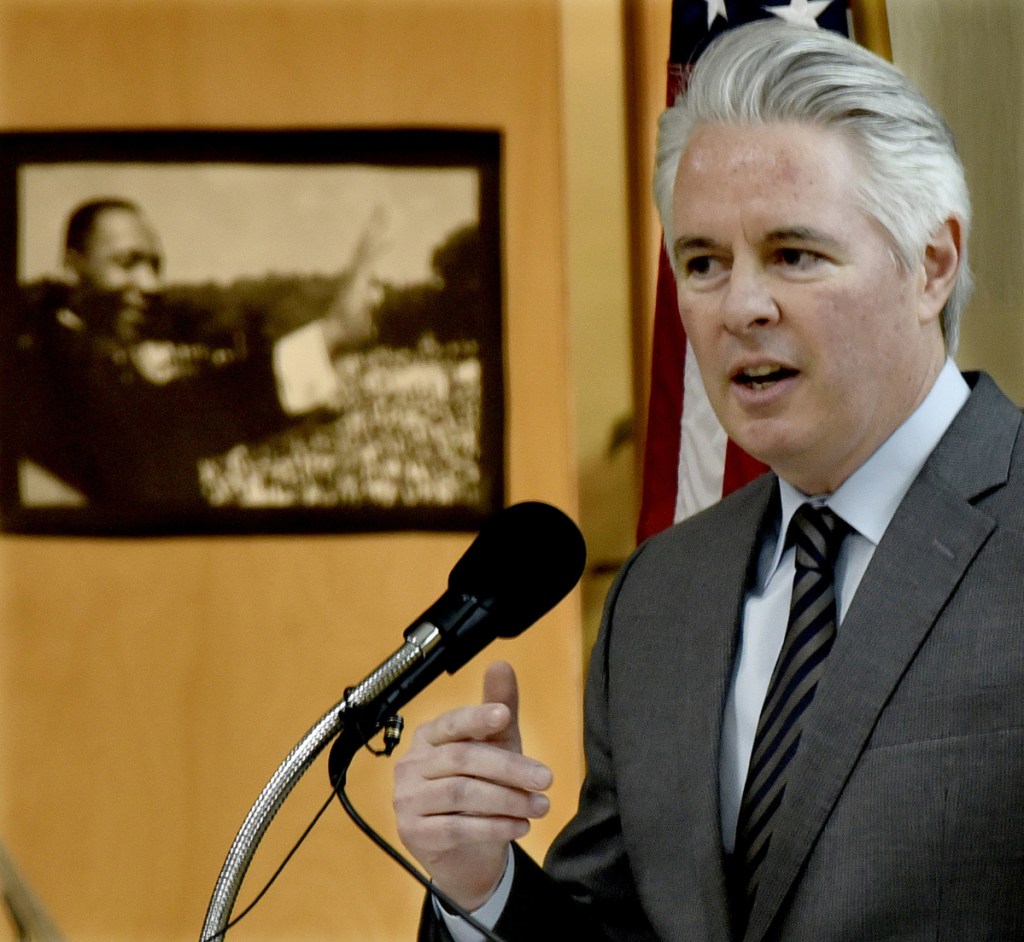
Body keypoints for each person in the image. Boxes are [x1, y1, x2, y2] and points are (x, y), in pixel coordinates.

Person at [391, 19, 1024, 942]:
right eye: (703, 263)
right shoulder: (661, 595)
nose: (741, 307)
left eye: (794, 254)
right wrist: (480, 888)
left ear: (932, 265)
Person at [10, 197, 381, 520]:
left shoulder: (98, 356)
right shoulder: (33, 365)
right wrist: (331, 334)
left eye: (156, 266)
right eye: (127, 262)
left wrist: (331, 335)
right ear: (71, 264)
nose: (151, 284)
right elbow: (183, 416)